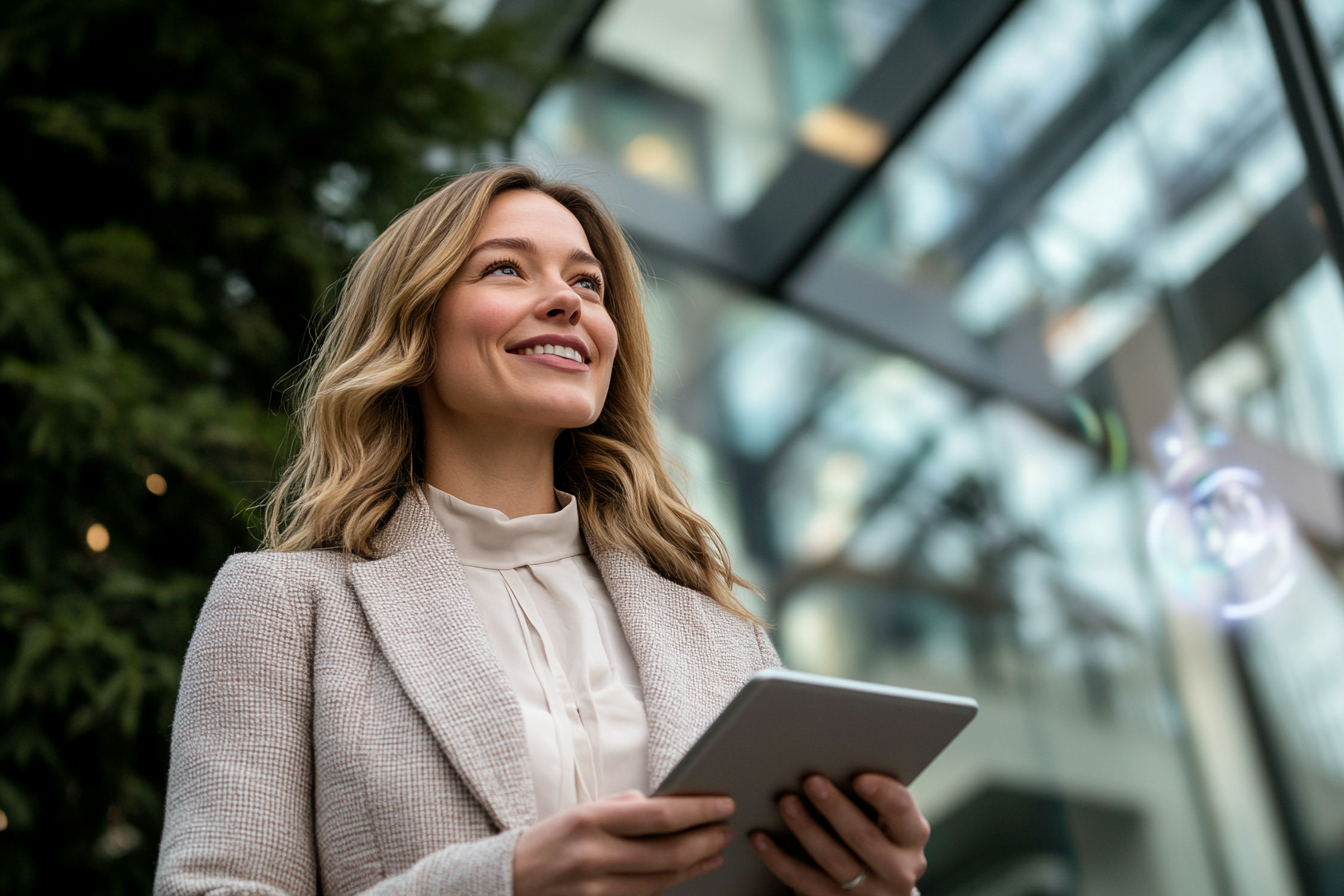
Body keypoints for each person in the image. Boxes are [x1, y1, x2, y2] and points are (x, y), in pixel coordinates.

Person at [154, 166, 930, 896]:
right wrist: (504, 879)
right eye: (505, 269)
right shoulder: (285, 606)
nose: (569, 302)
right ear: (414, 324)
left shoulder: (728, 641)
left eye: (586, 283)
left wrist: (866, 882)